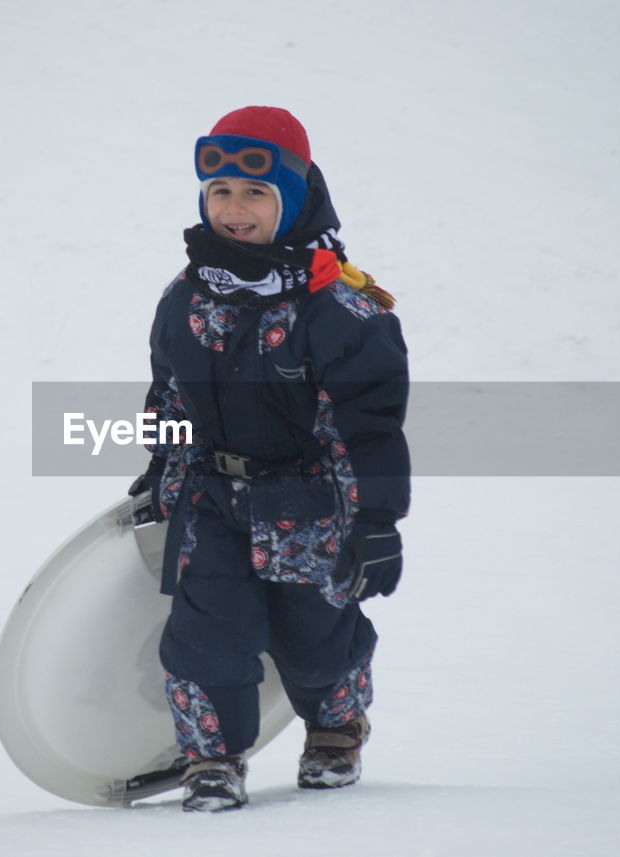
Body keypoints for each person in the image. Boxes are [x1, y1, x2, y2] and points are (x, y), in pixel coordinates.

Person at [130, 106, 410, 812]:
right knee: (205, 636)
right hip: (214, 499)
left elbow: (369, 427)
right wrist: (162, 471)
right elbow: (169, 396)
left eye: (255, 192)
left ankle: (335, 727)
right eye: (220, 191)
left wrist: (375, 521)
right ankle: (211, 758)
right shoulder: (185, 297)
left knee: (316, 640)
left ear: (293, 196)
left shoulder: (341, 310)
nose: (235, 208)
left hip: (310, 503)